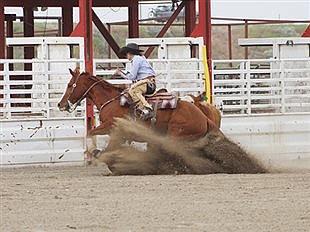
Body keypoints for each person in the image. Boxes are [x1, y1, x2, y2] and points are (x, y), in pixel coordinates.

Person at [114, 43, 156, 118]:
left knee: (133, 91)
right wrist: (122, 73)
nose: (126, 56)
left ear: (129, 53)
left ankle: (146, 109)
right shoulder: (140, 58)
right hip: (149, 83)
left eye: (126, 54)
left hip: (146, 83)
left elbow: (132, 77)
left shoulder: (136, 59)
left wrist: (120, 73)